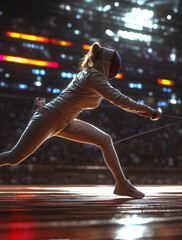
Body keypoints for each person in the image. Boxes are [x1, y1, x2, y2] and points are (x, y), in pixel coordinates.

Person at [0, 42, 162, 199]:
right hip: (49, 117)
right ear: (107, 64)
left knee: (105, 140)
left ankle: (121, 184)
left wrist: (146, 112)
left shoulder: (92, 74)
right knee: (14, 157)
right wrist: (148, 110)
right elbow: (119, 99)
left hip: (66, 122)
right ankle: (122, 183)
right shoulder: (93, 76)